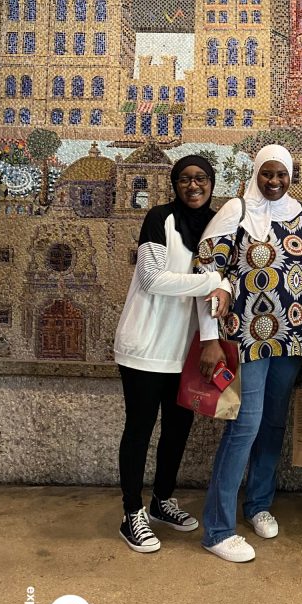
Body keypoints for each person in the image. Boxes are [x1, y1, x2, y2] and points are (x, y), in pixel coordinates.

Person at [196, 145, 302, 563]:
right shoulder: (236, 212)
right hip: (245, 338)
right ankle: (217, 528)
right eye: (267, 174)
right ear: (255, 174)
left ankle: (259, 504)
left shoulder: (301, 215)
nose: (274, 182)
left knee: (273, 424)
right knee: (244, 426)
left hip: (290, 339)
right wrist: (209, 336)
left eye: (281, 174)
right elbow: (208, 275)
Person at [114, 154, 226, 554]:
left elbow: (214, 299)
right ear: (174, 185)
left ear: (212, 183)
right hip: (145, 347)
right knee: (140, 430)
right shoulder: (159, 219)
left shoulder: (215, 229)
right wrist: (212, 280)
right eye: (184, 179)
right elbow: (153, 279)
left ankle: (161, 501)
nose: (193, 186)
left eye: (201, 179)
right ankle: (132, 513)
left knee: (178, 430)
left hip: (185, 352)